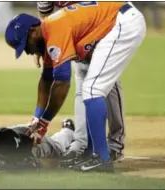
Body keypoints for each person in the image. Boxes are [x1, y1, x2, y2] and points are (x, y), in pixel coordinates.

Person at [5, 2, 146, 172]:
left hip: (123, 22)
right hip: (112, 22)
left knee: (93, 89)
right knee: (90, 88)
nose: (27, 52)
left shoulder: (55, 31)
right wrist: (37, 120)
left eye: (25, 46)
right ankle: (89, 153)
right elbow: (46, 78)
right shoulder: (47, 31)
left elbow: (62, 83)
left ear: (33, 32)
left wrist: (44, 123)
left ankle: (102, 158)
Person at [35, 1, 127, 162]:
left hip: (107, 22)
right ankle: (81, 142)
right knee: (82, 85)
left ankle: (115, 144)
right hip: (77, 31)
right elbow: (45, 16)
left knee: (108, 82)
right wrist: (40, 45)